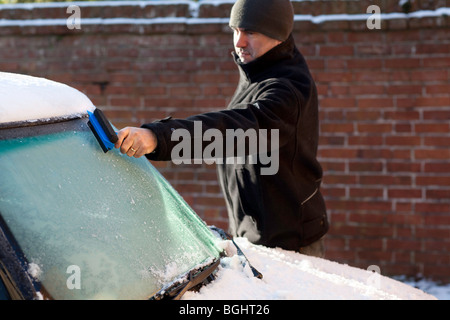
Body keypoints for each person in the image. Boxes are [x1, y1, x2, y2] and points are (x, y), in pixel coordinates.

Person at [115, 0, 329, 258]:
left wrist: (159, 138)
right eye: (235, 30)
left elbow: (234, 132)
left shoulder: (286, 89)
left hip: (290, 246)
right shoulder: (257, 73)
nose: (238, 42)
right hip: (258, 239)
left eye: (250, 32)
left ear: (277, 35)